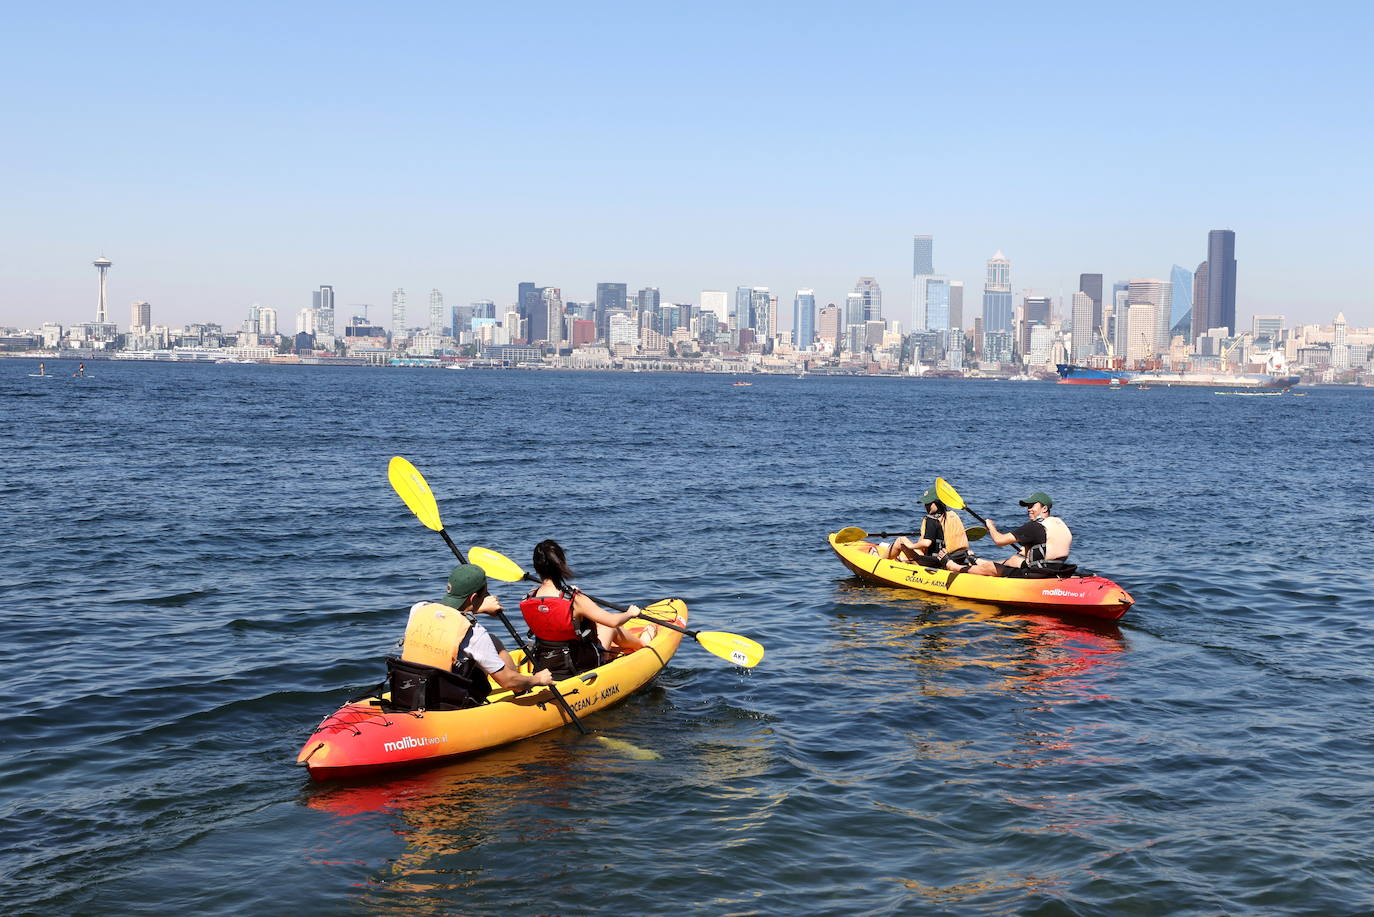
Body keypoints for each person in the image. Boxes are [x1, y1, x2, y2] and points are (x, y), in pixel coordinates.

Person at [407, 564, 555, 696]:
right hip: (446, 699)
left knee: (492, 641)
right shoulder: (474, 633)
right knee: (489, 646)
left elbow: (448, 616)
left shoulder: (419, 609)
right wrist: (538, 679)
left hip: (413, 688)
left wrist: (475, 609)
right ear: (474, 597)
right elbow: (507, 681)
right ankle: (522, 690)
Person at [519, 539, 656, 680]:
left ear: (536, 567)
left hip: (546, 665)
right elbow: (613, 621)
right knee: (608, 627)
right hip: (578, 666)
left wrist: (567, 593)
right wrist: (630, 613)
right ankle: (642, 644)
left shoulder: (529, 599)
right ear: (561, 564)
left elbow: (551, 616)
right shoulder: (575, 600)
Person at [962, 491, 1072, 577]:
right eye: (1028, 506)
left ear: (1044, 508)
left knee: (992, 567)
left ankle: (954, 567)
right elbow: (1050, 546)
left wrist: (991, 527)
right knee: (1014, 560)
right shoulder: (1059, 523)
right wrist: (1027, 551)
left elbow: (999, 540)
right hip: (1056, 568)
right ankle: (977, 561)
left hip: (1038, 573)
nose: (1029, 509)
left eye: (1032, 505)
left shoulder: (1034, 526)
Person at [885, 488, 971, 569]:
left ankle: (880, 562)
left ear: (937, 502)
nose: (926, 506)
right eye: (925, 504)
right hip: (955, 559)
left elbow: (926, 543)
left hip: (936, 563)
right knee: (918, 548)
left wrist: (910, 546)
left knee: (901, 541)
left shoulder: (931, 519)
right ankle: (905, 561)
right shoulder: (953, 516)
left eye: (929, 503)